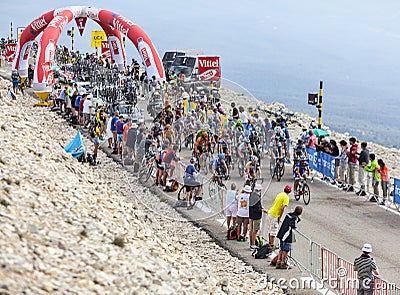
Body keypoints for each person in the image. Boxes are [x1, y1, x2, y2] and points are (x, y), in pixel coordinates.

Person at [267, 185, 291, 249]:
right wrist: (279, 217)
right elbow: (282, 208)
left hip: (270, 213)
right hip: (275, 215)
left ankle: (270, 244)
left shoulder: (280, 194)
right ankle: (271, 246)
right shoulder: (286, 197)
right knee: (273, 232)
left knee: (270, 230)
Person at [249, 184, 266, 250]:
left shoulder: (252, 196)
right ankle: (253, 244)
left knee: (251, 229)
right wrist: (262, 209)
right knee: (255, 230)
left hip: (251, 215)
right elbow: (257, 208)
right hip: (256, 216)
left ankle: (251, 243)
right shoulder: (257, 198)